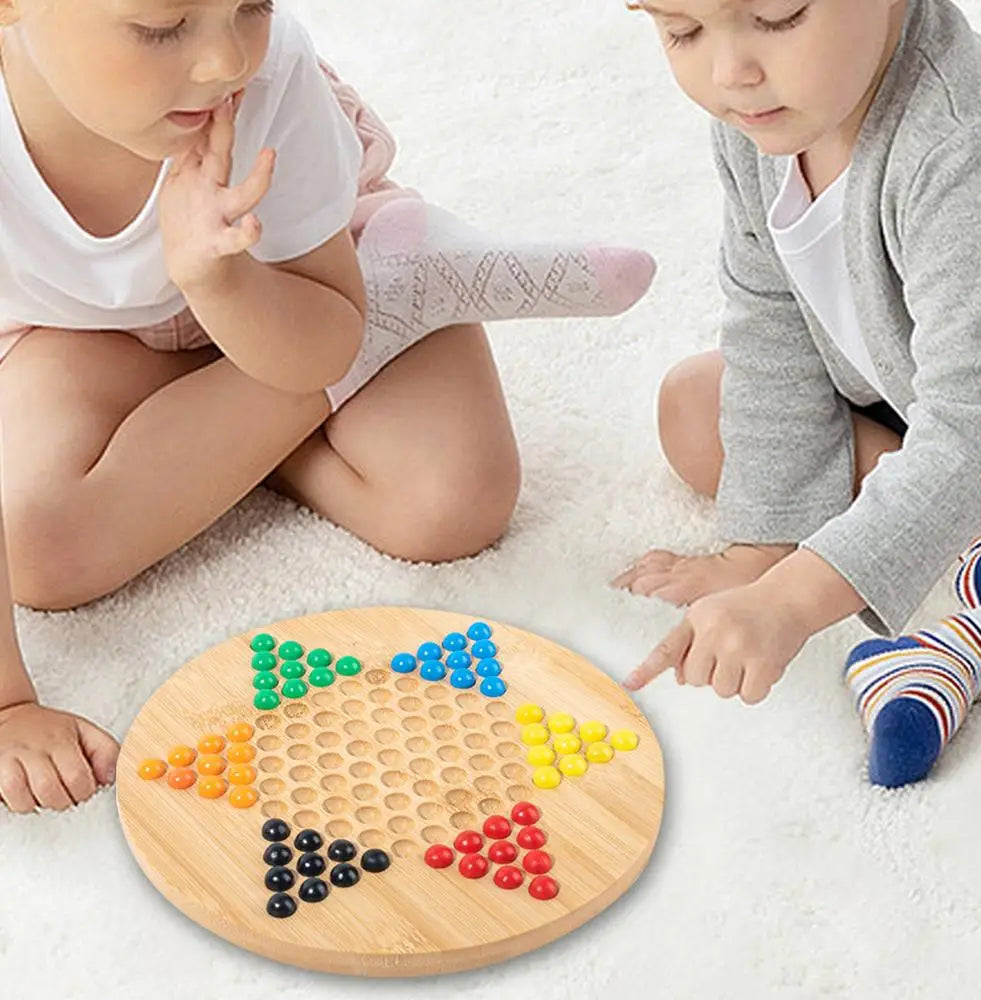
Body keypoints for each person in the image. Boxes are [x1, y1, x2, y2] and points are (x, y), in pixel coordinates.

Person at [0, 0, 656, 813]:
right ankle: (411, 294)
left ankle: (392, 278)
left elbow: (318, 344)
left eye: (253, 7)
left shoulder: (269, 79)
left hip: (295, 284)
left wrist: (218, 280)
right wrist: (7, 703)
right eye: (162, 27)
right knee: (41, 550)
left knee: (449, 505)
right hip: (85, 331)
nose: (223, 62)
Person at [615, 0, 981, 788]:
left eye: (779, 16)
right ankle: (966, 535)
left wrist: (791, 601)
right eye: (681, 31)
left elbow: (977, 426)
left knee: (956, 467)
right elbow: (771, 314)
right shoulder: (762, 115)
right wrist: (763, 547)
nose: (729, 72)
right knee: (696, 407)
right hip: (924, 395)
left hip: (980, 413)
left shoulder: (962, 143)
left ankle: (963, 578)